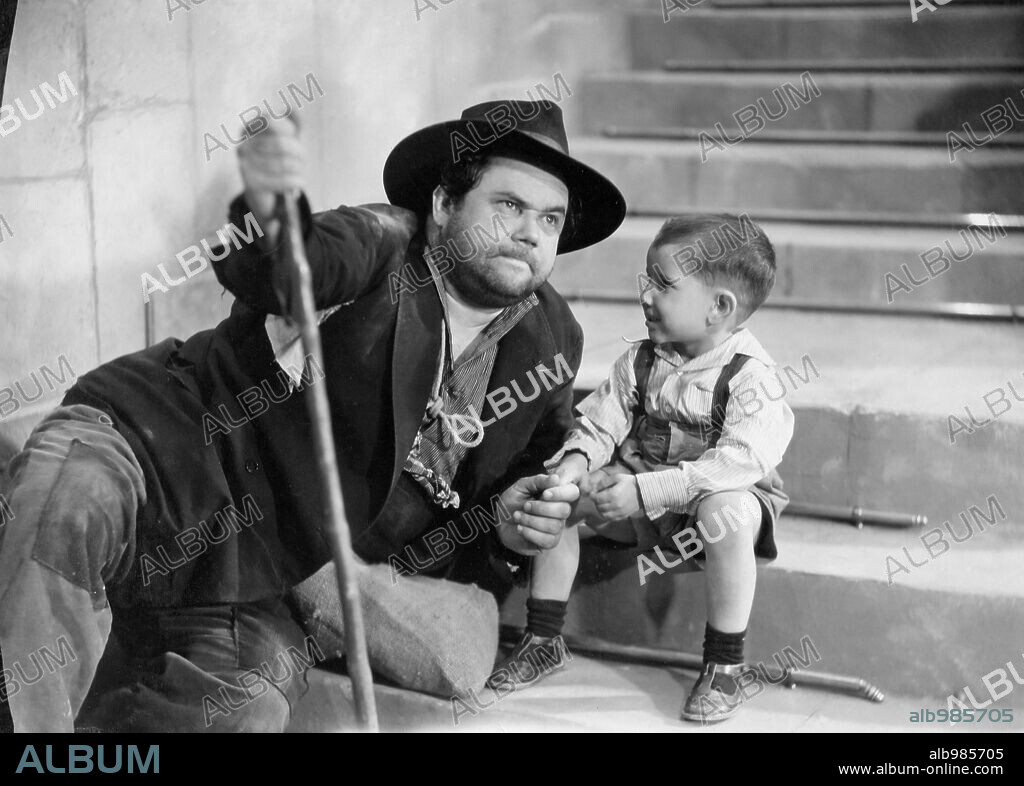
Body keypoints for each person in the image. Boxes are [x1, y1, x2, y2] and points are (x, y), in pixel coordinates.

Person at [0, 99, 626, 731]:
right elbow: (292, 263)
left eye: (550, 218)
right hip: (155, 446)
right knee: (65, 509)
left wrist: (515, 526)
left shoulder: (552, 340)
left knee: (245, 710)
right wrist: (273, 214)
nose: (530, 232)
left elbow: (511, 500)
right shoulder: (382, 241)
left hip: (264, 570)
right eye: (509, 205)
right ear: (443, 205)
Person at [491, 214, 794, 724]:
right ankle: (543, 638)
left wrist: (644, 490)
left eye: (664, 285)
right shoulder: (642, 360)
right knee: (560, 499)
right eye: (647, 279)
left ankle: (724, 664)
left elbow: (737, 464)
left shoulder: (751, 377)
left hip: (714, 502)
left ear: (720, 307)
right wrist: (575, 464)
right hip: (642, 489)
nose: (646, 296)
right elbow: (600, 423)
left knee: (728, 511)